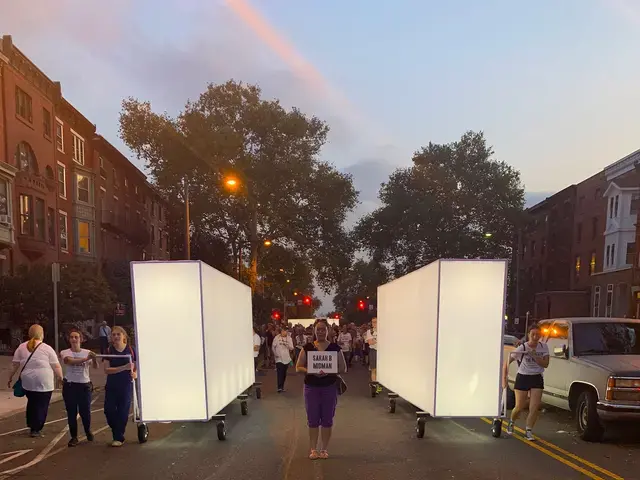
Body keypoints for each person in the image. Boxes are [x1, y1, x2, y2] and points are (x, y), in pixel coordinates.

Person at [296, 318, 347, 460]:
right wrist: (310, 370)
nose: (320, 332)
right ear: (314, 330)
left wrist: (329, 370)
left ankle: (324, 449)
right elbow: (298, 366)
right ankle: (313, 449)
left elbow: (343, 368)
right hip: (311, 387)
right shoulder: (307, 348)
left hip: (329, 388)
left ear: (328, 330)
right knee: (312, 419)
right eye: (318, 329)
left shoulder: (335, 348)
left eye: (323, 329)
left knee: (327, 419)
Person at [6, 324, 63, 437]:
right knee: (42, 405)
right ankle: (36, 428)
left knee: (32, 403)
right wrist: (61, 378)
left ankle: (32, 425)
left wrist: (10, 377)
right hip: (44, 381)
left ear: (29, 334)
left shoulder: (21, 347)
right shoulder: (47, 348)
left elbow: (14, 365)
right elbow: (56, 366)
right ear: (41, 335)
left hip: (28, 381)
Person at [503, 324, 549, 441]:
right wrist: (504, 379)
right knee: (519, 406)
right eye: (533, 334)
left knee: (534, 407)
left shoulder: (543, 347)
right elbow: (507, 362)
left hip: (537, 377)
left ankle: (528, 430)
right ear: (528, 335)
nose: (535, 337)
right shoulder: (522, 348)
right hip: (523, 377)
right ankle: (512, 422)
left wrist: (535, 356)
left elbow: (546, 364)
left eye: (537, 334)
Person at [60, 328, 98, 447]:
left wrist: (94, 359)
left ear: (81, 339)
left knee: (85, 412)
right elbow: (69, 361)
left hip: (84, 385)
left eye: (76, 337)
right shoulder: (65, 352)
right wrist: (86, 359)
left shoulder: (87, 352)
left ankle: (87, 431)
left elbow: (95, 367)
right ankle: (74, 436)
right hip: (70, 385)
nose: (74, 339)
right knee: (71, 412)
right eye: (72, 337)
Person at [104, 326, 137, 447]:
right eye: (114, 335)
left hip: (126, 385)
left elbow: (136, 366)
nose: (116, 337)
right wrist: (123, 368)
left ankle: (118, 437)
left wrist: (135, 373)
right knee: (108, 410)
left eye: (118, 334)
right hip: (112, 385)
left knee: (123, 412)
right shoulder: (109, 350)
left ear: (124, 336)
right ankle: (117, 431)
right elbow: (107, 369)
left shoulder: (131, 350)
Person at [272, 326, 294, 393]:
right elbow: (273, 346)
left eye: (286, 331)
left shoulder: (289, 338)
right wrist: (275, 354)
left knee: (284, 373)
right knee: (280, 372)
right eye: (283, 331)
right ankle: (279, 387)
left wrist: (287, 345)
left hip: (286, 358)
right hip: (279, 358)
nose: (285, 332)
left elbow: (291, 348)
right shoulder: (277, 337)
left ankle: (282, 386)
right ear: (281, 331)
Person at [364, 317, 382, 394]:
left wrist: (375, 340)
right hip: (373, 351)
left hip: (382, 352)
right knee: (373, 369)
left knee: (381, 370)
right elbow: (370, 342)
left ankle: (379, 387)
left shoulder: (383, 331)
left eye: (375, 322)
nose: (374, 324)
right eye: (372, 322)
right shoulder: (369, 331)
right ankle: (374, 386)